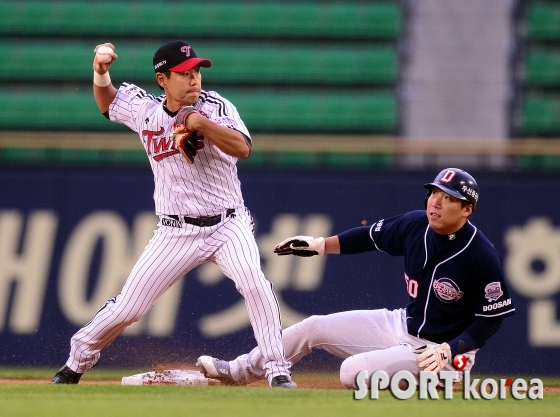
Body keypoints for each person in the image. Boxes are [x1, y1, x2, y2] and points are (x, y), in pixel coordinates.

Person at [51, 41, 296, 388]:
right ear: (163, 79)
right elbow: (108, 103)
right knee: (128, 309)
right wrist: (100, 71)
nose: (194, 79)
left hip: (228, 223)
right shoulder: (146, 112)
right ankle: (74, 365)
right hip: (174, 230)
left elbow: (243, 148)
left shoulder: (215, 106)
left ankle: (277, 370)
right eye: (184, 74)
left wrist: (200, 124)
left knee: (253, 281)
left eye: (197, 71)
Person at [197, 168, 515, 388]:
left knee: (352, 372)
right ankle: (236, 371)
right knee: (313, 327)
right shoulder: (415, 224)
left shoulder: (480, 255)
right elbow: (368, 237)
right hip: (403, 324)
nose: (435, 201)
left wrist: (450, 350)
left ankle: (446, 382)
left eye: (447, 197)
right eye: (434, 192)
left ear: (467, 210)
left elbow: (491, 319)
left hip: (440, 353)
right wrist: (320, 245)